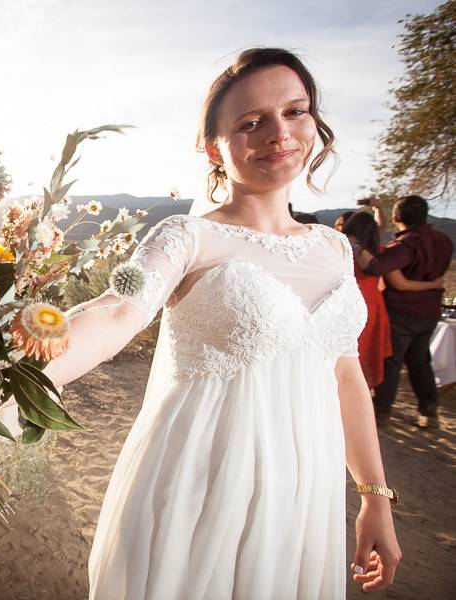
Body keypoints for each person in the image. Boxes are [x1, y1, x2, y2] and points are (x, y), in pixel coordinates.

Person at [42, 48, 400, 598]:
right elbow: (116, 312)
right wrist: (5, 379)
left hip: (304, 492)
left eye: (295, 111)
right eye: (251, 122)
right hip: (201, 478)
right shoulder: (186, 238)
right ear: (213, 147)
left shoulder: (333, 248)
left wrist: (374, 496)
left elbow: (345, 373)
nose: (278, 134)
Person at [353, 195, 453, 429]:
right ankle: (429, 410)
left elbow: (377, 267)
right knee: (420, 362)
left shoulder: (407, 245)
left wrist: (356, 244)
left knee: (392, 361)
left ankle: (381, 412)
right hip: (429, 312)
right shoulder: (444, 241)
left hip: (402, 312)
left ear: (398, 217)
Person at [341, 211, 441, 391]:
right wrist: (432, 284)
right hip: (371, 306)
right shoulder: (380, 254)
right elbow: (401, 284)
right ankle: (360, 392)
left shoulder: (339, 250)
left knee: (344, 351)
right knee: (364, 351)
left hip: (342, 303)